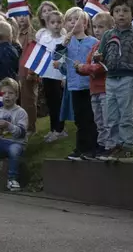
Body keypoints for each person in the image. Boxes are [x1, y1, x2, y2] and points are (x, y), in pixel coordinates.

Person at [53, 8, 98, 160]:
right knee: (79, 119)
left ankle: (93, 149)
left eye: (77, 19)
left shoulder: (93, 42)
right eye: (70, 19)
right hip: (74, 86)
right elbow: (55, 56)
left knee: (91, 118)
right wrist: (63, 45)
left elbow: (97, 61)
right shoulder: (66, 42)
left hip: (90, 85)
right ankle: (81, 148)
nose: (73, 22)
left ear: (85, 24)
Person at [95, 0, 133, 162]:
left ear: (132, 14)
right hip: (110, 79)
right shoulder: (107, 35)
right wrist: (98, 57)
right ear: (112, 14)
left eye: (125, 11)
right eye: (117, 11)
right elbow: (101, 54)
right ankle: (115, 145)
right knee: (111, 115)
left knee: (126, 114)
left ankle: (128, 145)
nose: (121, 14)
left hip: (128, 78)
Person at [76, 12, 114, 157]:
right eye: (95, 27)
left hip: (105, 89)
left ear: (110, 28)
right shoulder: (95, 46)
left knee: (107, 119)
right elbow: (89, 62)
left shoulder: (109, 45)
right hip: (94, 89)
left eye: (101, 27)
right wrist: (79, 68)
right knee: (98, 120)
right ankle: (102, 145)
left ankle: (110, 146)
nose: (97, 30)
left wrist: (84, 68)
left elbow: (100, 66)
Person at [0, 77, 28, 192]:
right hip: (1, 144)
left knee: (14, 150)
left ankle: (12, 179)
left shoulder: (21, 113)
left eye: (11, 93)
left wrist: (9, 126)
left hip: (16, 143)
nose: (7, 96)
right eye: (4, 93)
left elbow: (21, 133)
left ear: (16, 96)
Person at [36, 10, 67, 143]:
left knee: (58, 103)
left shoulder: (64, 40)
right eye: (52, 22)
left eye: (59, 22)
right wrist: (39, 73)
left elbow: (65, 59)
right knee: (50, 103)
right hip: (47, 75)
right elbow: (40, 57)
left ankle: (60, 129)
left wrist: (65, 77)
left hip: (59, 76)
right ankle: (53, 128)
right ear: (47, 24)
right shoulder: (44, 39)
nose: (56, 25)